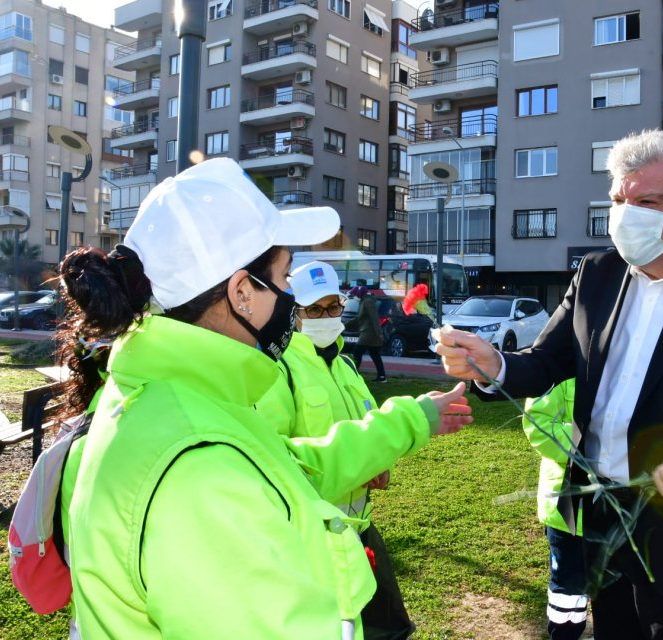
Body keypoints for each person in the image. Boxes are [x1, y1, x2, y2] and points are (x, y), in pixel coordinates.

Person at [64, 157, 472, 639]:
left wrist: (412, 420)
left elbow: (289, 468)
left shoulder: (170, 402)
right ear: (242, 292)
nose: (290, 298)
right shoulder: (202, 470)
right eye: (283, 278)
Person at [436, 129, 663, 639]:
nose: (626, 214)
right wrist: (496, 365)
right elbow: (545, 361)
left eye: (647, 202)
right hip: (599, 514)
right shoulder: (596, 273)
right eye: (619, 199)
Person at [280, 260, 414, 639]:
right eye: (314, 310)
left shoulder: (346, 367)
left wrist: (379, 464)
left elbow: (369, 427)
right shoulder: (280, 371)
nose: (326, 317)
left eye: (332, 307)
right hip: (314, 543)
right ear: (295, 314)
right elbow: (279, 461)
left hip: (361, 530)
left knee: (390, 630)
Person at [523, 379, 589, 640]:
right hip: (568, 511)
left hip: (618, 510)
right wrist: (593, 441)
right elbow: (538, 426)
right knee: (569, 594)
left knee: (617, 592)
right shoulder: (560, 366)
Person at [351, 285, 388, 382]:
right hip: (370, 333)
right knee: (375, 354)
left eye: (354, 294)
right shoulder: (365, 301)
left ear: (359, 294)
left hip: (368, 333)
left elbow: (374, 319)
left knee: (357, 353)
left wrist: (379, 334)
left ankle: (353, 375)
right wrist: (345, 325)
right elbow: (359, 318)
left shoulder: (367, 302)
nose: (354, 296)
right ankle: (382, 376)